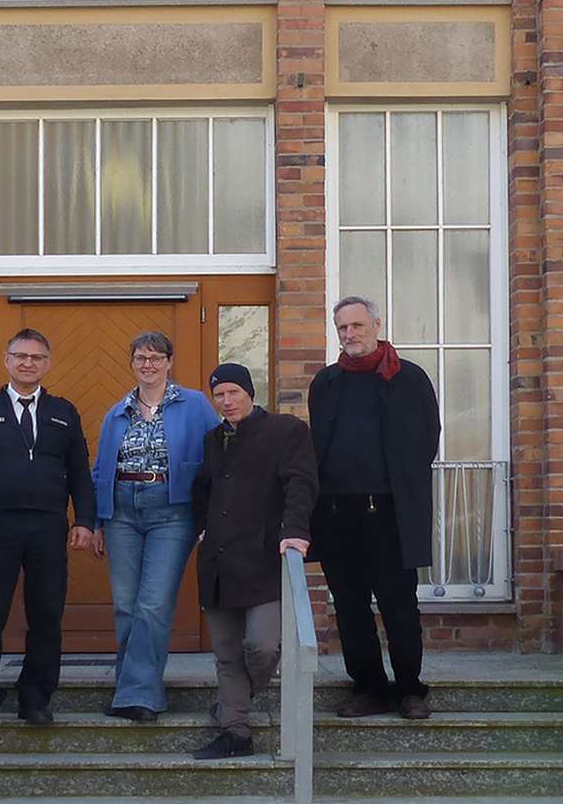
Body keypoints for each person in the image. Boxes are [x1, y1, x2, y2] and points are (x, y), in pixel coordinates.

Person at [307, 295, 441, 722]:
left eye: (357, 326)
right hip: (337, 515)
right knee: (349, 606)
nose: (350, 334)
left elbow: (427, 440)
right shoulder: (325, 384)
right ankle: (367, 687)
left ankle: (409, 689)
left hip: (390, 513)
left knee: (399, 603)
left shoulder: (410, 379)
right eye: (342, 328)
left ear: (376, 326)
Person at [0, 328, 96, 726]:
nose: (28, 363)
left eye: (36, 357)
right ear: (6, 360)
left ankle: (35, 697)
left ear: (47, 364)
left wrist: (84, 520)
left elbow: (80, 473)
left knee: (47, 612)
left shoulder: (63, 411)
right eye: (21, 356)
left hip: (48, 527)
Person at [189, 364, 317, 760]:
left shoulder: (285, 431)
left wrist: (295, 531)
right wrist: (201, 527)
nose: (227, 401)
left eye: (233, 392)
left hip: (264, 559)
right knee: (226, 652)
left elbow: (301, 482)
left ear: (250, 392)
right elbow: (202, 488)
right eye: (220, 395)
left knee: (260, 646)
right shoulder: (213, 439)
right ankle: (235, 731)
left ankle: (235, 700)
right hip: (218, 563)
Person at [91, 331, 217, 721]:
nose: (148, 364)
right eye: (141, 358)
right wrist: (96, 520)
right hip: (122, 513)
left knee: (152, 604)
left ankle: (137, 695)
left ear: (168, 362)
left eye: (156, 357)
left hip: (171, 510)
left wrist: (210, 515)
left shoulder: (194, 405)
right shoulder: (117, 412)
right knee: (127, 606)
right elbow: (100, 470)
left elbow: (218, 459)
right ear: (132, 363)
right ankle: (136, 688)